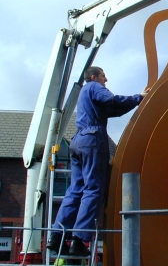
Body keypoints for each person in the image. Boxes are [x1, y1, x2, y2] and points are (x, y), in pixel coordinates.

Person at [47, 66, 150, 256]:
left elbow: (113, 110)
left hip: (78, 142)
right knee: (93, 189)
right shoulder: (93, 87)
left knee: (76, 189)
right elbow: (111, 99)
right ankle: (79, 240)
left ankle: (57, 236)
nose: (106, 79)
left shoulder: (86, 95)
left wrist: (136, 101)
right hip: (93, 140)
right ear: (94, 77)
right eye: (104, 76)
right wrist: (139, 96)